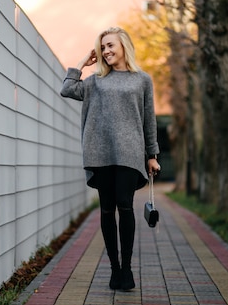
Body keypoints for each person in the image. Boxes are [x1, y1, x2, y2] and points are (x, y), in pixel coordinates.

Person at [60, 26, 162, 291]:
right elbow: (67, 89)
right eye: (102, 47)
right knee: (107, 210)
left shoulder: (142, 80)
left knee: (125, 207)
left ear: (123, 46)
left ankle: (126, 269)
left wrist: (152, 155)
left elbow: (149, 120)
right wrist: (82, 63)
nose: (105, 51)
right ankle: (114, 269)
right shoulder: (94, 82)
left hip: (130, 154)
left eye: (110, 46)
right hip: (99, 152)